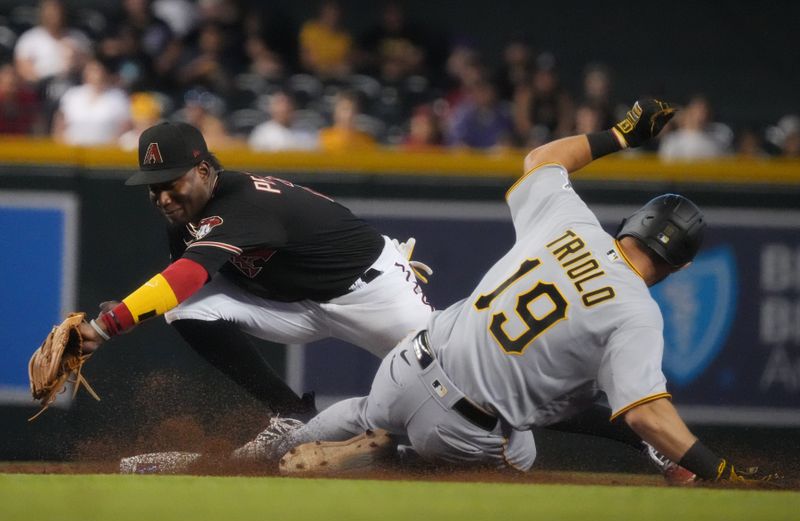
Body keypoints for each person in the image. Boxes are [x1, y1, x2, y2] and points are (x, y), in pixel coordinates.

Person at [251, 99, 777, 484]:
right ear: (679, 266)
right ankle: (388, 457)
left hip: (409, 362)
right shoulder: (637, 315)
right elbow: (645, 413)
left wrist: (620, 135)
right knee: (520, 456)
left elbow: (541, 161)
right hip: (463, 427)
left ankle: (261, 452)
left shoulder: (571, 224)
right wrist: (719, 470)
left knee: (371, 410)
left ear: (630, 225)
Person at [78, 121, 433, 417]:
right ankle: (291, 415)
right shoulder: (185, 215)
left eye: (171, 185)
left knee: (450, 379)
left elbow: (188, 275)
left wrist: (107, 326)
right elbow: (183, 284)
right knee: (185, 308)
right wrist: (134, 309)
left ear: (204, 171)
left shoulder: (243, 204)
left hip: (372, 293)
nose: (163, 199)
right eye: (154, 189)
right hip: (294, 306)